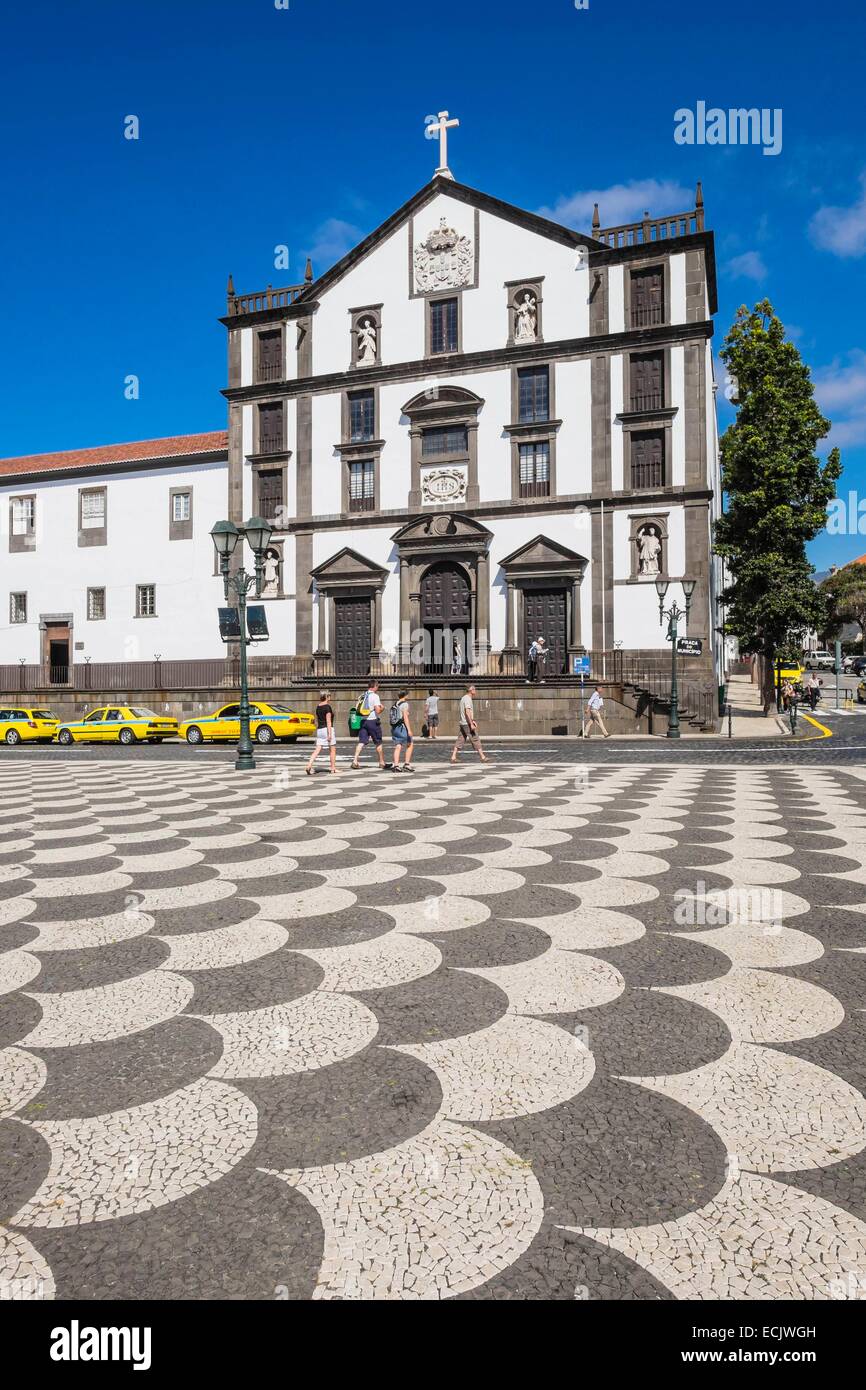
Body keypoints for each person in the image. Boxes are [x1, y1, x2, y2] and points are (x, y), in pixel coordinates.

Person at [350, 679, 387, 770]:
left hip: (363, 721)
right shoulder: (375, 696)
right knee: (378, 742)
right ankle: (382, 762)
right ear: (374, 686)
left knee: (361, 741)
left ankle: (355, 761)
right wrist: (383, 708)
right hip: (372, 721)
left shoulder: (362, 696)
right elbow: (378, 710)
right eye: (377, 686)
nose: (378, 688)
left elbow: (356, 707)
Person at [451, 684, 489, 763]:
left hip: (463, 722)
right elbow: (467, 712)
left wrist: (472, 720)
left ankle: (453, 757)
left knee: (460, 739)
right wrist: (471, 723)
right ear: (471, 690)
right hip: (467, 723)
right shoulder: (468, 699)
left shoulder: (463, 698)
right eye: (474, 689)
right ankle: (482, 757)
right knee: (475, 738)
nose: (475, 691)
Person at [306, 690, 339, 775]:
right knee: (332, 749)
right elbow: (328, 721)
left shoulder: (318, 706)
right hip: (327, 729)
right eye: (329, 696)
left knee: (317, 749)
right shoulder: (327, 707)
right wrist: (329, 734)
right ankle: (333, 768)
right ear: (327, 697)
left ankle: (309, 764)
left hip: (320, 730)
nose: (330, 698)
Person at [390, 690, 415, 772]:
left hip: (394, 727)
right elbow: (405, 718)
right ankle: (407, 764)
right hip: (402, 727)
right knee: (410, 743)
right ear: (405, 695)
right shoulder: (405, 704)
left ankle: (396, 765)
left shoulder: (396, 703)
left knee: (398, 746)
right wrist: (409, 730)